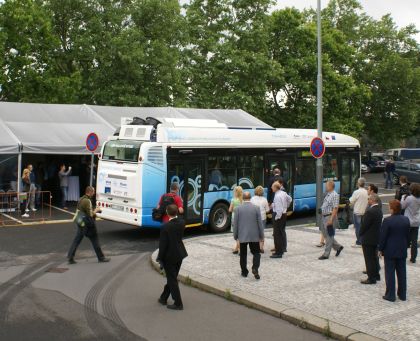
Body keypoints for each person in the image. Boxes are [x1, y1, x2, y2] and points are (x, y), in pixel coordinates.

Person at [157, 204, 188, 310]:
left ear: (167, 212)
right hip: (180, 254)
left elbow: (163, 245)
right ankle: (163, 298)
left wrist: (160, 258)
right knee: (172, 278)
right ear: (177, 212)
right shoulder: (182, 222)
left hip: (169, 256)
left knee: (172, 279)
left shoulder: (165, 227)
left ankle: (178, 303)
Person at [67, 186, 110, 264]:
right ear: (90, 192)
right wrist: (97, 210)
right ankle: (101, 258)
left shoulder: (80, 199)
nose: (93, 193)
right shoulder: (87, 201)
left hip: (81, 223)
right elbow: (90, 214)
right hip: (88, 225)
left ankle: (70, 257)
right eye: (93, 192)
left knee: (76, 240)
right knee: (95, 240)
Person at [379, 200, 410, 302]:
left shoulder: (387, 220)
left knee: (390, 273)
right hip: (402, 249)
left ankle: (390, 295)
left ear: (392, 209)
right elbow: (407, 236)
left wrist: (380, 249)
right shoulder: (406, 219)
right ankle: (402, 294)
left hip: (390, 250)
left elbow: (383, 237)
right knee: (402, 272)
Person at [232, 192, 265, 279]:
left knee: (243, 254)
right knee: (256, 253)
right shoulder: (256, 208)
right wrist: (262, 235)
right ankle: (255, 268)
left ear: (242, 198)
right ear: (250, 198)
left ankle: (244, 272)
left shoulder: (238, 209)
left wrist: (235, 236)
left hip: (242, 235)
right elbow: (260, 224)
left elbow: (235, 224)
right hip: (254, 235)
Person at [360, 194, 383, 284]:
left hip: (368, 238)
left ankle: (371, 278)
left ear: (373, 200)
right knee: (374, 258)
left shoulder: (370, 211)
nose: (368, 200)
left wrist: (360, 233)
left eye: (369, 199)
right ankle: (376, 275)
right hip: (376, 237)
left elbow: (365, 225)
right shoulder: (379, 210)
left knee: (369, 259)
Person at [319, 181, 344, 260]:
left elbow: (335, 208)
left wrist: (331, 219)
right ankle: (338, 247)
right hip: (324, 217)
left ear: (330, 186)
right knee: (325, 234)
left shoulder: (335, 195)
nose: (325, 187)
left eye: (326, 185)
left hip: (329, 217)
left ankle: (326, 254)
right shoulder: (328, 194)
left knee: (329, 235)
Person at [271, 180, 292, 259]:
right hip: (284, 214)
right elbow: (290, 199)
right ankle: (282, 249)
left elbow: (279, 209)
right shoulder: (283, 193)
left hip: (279, 215)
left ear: (276, 188)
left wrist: (276, 217)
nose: (271, 188)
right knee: (281, 231)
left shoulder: (277, 196)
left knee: (277, 235)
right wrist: (286, 206)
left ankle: (278, 252)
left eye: (272, 187)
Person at [401, 183, 420, 263]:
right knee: (414, 241)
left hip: (408, 221)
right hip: (416, 221)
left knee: (405, 239)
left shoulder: (409, 198)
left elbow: (402, 206)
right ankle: (413, 258)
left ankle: (403, 255)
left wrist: (402, 198)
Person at [349, 177, 368, 247]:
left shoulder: (356, 192)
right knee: (363, 227)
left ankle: (359, 242)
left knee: (358, 228)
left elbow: (351, 201)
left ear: (358, 184)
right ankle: (363, 240)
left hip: (357, 212)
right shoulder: (366, 192)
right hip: (365, 212)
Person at [251, 186, 270, 252]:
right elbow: (267, 210)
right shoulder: (264, 199)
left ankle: (255, 247)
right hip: (262, 218)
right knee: (261, 232)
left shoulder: (252, 199)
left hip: (254, 218)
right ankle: (261, 247)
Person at [229, 186, 243, 254]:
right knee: (240, 234)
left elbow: (230, 209)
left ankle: (239, 250)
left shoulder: (233, 200)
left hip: (235, 218)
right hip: (242, 218)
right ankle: (236, 249)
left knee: (236, 235)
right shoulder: (243, 200)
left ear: (235, 192)